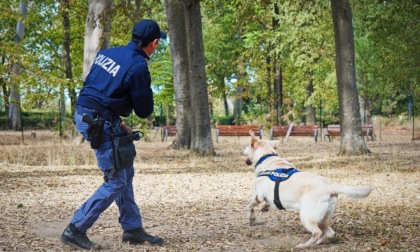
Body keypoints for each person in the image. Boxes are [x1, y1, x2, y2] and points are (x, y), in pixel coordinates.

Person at [60, 19, 167, 250]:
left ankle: (132, 229)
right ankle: (75, 229)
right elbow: (145, 110)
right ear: (154, 43)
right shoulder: (138, 66)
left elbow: (95, 89)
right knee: (116, 180)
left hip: (88, 115)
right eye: (158, 43)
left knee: (124, 173)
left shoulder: (108, 53)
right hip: (99, 122)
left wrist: (116, 121)